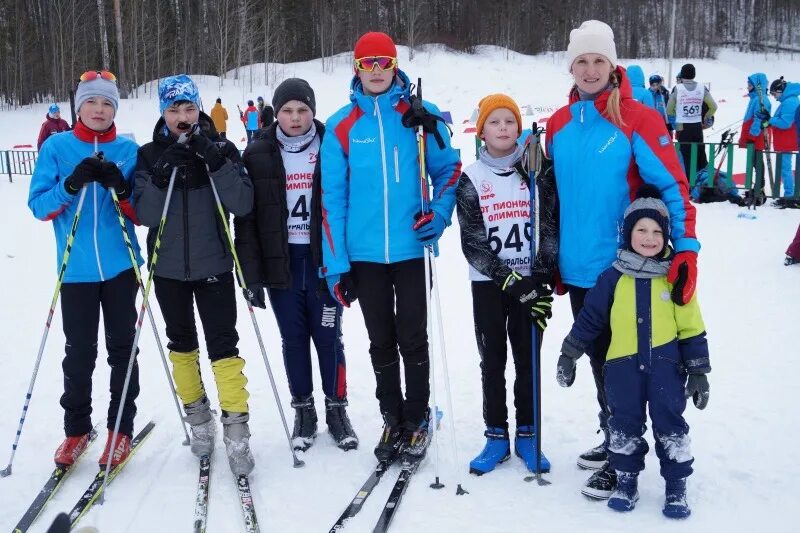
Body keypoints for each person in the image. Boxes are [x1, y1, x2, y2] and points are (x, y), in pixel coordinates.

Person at [545, 20, 699, 500]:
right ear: (571, 67)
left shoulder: (639, 118)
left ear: (612, 66)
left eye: (599, 61)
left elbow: (674, 187)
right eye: (581, 61)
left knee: (624, 367)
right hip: (577, 267)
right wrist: (551, 257)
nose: (590, 70)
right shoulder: (558, 125)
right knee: (599, 360)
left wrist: (687, 248)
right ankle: (611, 435)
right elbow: (555, 197)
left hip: (626, 271)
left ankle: (621, 456)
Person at [320, 31, 461, 465]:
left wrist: (437, 216)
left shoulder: (420, 116)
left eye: (384, 62)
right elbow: (332, 200)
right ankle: (391, 416)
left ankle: (417, 418)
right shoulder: (342, 125)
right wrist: (335, 265)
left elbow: (450, 170)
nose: (377, 71)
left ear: (396, 65)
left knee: (412, 339)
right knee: (380, 340)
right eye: (368, 63)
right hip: (364, 255)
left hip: (410, 251)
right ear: (356, 68)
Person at [557, 185, 710, 519]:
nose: (649, 238)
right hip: (622, 368)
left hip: (666, 368)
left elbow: (691, 325)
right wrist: (569, 353)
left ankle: (676, 488)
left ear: (666, 236)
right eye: (641, 230)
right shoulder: (612, 278)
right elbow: (590, 319)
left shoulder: (674, 277)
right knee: (624, 423)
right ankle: (626, 482)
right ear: (628, 234)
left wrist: (698, 371)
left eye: (657, 231)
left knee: (671, 425)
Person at [133, 74, 255, 476]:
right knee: (181, 346)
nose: (182, 117)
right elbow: (145, 215)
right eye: (173, 110)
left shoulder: (220, 147)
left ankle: (237, 432)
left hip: (214, 265)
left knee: (224, 348)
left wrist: (216, 162)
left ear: (200, 108)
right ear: (162, 113)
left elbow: (242, 202)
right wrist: (162, 171)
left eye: (189, 108)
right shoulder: (150, 154)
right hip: (168, 269)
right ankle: (199, 422)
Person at [235, 78, 358, 452]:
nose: (295, 117)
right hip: (282, 263)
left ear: (313, 111)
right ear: (276, 112)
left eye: (302, 110)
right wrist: (251, 275)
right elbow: (246, 220)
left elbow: (350, 203)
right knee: (293, 339)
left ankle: (337, 410)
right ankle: (303, 411)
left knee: (328, 337)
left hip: (324, 261)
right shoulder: (257, 152)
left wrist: (350, 265)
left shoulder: (332, 144)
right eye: (287, 110)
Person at [28, 70, 142, 468]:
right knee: (79, 355)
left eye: (107, 103)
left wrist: (121, 188)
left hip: (120, 268)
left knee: (123, 351)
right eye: (92, 102)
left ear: (115, 108)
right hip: (75, 270)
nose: (99, 109)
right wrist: (71, 185)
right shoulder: (57, 147)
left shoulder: (128, 150)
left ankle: (120, 429)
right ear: (79, 106)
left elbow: (141, 213)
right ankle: (77, 429)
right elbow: (39, 206)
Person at [456, 94, 558, 475]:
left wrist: (540, 277)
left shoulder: (537, 171)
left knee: (527, 357)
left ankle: (528, 434)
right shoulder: (472, 177)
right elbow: (473, 243)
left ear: (520, 127)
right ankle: (496, 434)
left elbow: (549, 228)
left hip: (533, 282)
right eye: (494, 122)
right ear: (481, 131)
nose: (503, 128)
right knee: (493, 359)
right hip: (490, 284)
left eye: (510, 122)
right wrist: (513, 282)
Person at [667, 63, 717, 178]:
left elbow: (669, 110)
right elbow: (713, 106)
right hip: (697, 126)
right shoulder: (701, 87)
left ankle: (688, 186)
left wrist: (678, 119)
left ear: (682, 75)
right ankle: (703, 184)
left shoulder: (677, 88)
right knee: (700, 155)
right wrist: (706, 118)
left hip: (683, 128)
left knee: (685, 158)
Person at [738, 73, 772, 207]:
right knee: (754, 162)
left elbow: (759, 119)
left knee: (757, 163)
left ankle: (759, 188)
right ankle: (757, 187)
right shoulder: (756, 98)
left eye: (750, 85)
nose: (748, 87)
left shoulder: (760, 99)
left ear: (757, 86)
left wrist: (751, 136)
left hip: (756, 138)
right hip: (753, 138)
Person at [767, 77, 799, 205]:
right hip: (785, 140)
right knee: (784, 168)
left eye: (774, 94)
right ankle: (790, 194)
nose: (774, 97)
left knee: (785, 168)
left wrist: (770, 120)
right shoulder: (788, 100)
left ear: (780, 90)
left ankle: (790, 195)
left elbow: (785, 123)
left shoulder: (790, 102)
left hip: (788, 140)